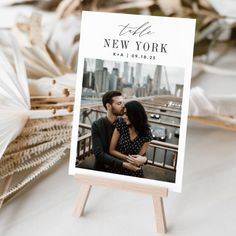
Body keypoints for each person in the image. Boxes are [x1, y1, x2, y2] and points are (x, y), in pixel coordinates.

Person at [92, 91, 140, 173]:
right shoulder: (97, 125)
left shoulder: (126, 123)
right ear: (108, 106)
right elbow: (99, 154)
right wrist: (124, 164)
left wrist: (145, 159)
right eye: (119, 103)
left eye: (123, 103)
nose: (123, 106)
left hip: (121, 171)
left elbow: (138, 145)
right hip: (102, 170)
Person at [109, 100, 153, 177]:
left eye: (126, 114)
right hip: (118, 167)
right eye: (123, 113)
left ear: (135, 115)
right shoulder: (121, 124)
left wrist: (143, 160)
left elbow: (139, 158)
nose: (124, 117)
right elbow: (111, 150)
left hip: (134, 171)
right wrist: (130, 159)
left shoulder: (147, 134)